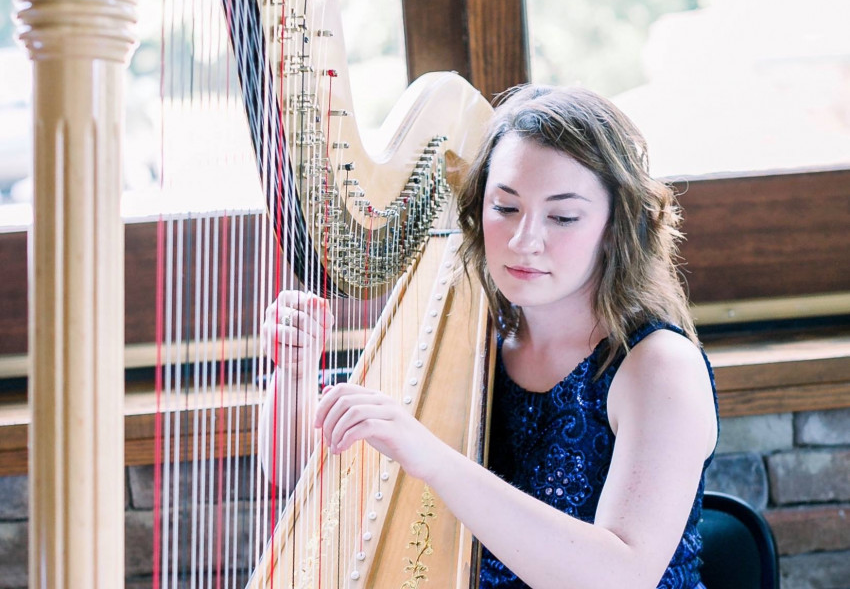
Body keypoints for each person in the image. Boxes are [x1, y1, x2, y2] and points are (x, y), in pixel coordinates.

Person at [262, 84, 718, 589]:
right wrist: (297, 373)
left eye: (562, 217)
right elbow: (290, 469)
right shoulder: (472, 332)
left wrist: (432, 457)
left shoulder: (657, 366)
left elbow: (621, 575)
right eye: (505, 207)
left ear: (616, 227)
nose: (524, 241)